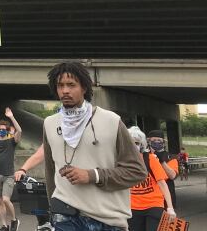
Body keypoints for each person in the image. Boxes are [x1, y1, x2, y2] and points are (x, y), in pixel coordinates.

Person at [18, 62, 146, 231]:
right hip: (65, 215)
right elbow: (50, 170)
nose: (65, 91)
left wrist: (92, 175)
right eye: (60, 85)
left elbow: (137, 171)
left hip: (107, 219)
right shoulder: (50, 124)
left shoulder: (111, 121)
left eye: (71, 85)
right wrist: (53, 207)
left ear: (84, 87)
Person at [128, 127, 174, 231]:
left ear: (141, 144)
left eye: (136, 143)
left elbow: (162, 184)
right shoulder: (122, 161)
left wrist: (170, 208)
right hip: (133, 208)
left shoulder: (150, 159)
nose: (133, 145)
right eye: (130, 142)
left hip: (154, 205)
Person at [0, 109, 22, 231]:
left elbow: (20, 131)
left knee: (6, 199)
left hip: (8, 176)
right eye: (0, 129)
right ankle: (4, 225)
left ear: (7, 130)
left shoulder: (11, 141)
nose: (2, 131)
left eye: (4, 129)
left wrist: (12, 117)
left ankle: (14, 220)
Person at [145, 130, 177, 208]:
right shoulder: (144, 156)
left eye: (159, 140)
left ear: (163, 142)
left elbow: (172, 175)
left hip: (167, 196)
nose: (156, 142)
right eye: (154, 140)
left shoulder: (171, 157)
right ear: (148, 141)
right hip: (148, 196)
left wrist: (161, 161)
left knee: (166, 219)